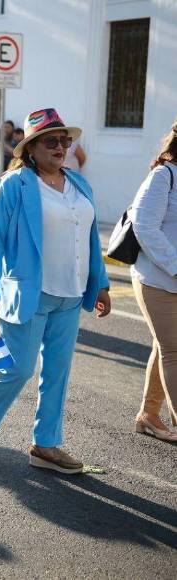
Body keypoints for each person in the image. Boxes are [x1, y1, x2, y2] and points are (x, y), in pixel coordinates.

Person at [0, 108, 112, 473]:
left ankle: (45, 444)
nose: (61, 147)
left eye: (65, 141)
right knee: (20, 368)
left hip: (71, 293)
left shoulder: (78, 184)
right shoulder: (12, 186)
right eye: (51, 141)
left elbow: (91, 238)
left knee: (58, 373)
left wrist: (101, 283)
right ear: (31, 148)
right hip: (30, 294)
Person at [130, 118, 177, 442]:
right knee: (174, 351)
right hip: (156, 280)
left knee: (165, 346)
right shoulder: (164, 176)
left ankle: (148, 414)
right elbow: (143, 226)